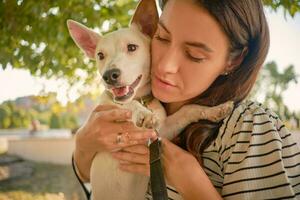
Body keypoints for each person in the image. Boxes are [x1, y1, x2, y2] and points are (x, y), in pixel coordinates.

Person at [73, 0, 300, 199]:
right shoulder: (141, 106)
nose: (165, 66)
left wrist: (189, 179)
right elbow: (89, 175)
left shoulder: (250, 128)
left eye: (194, 54)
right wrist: (83, 146)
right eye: (161, 37)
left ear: (233, 61)